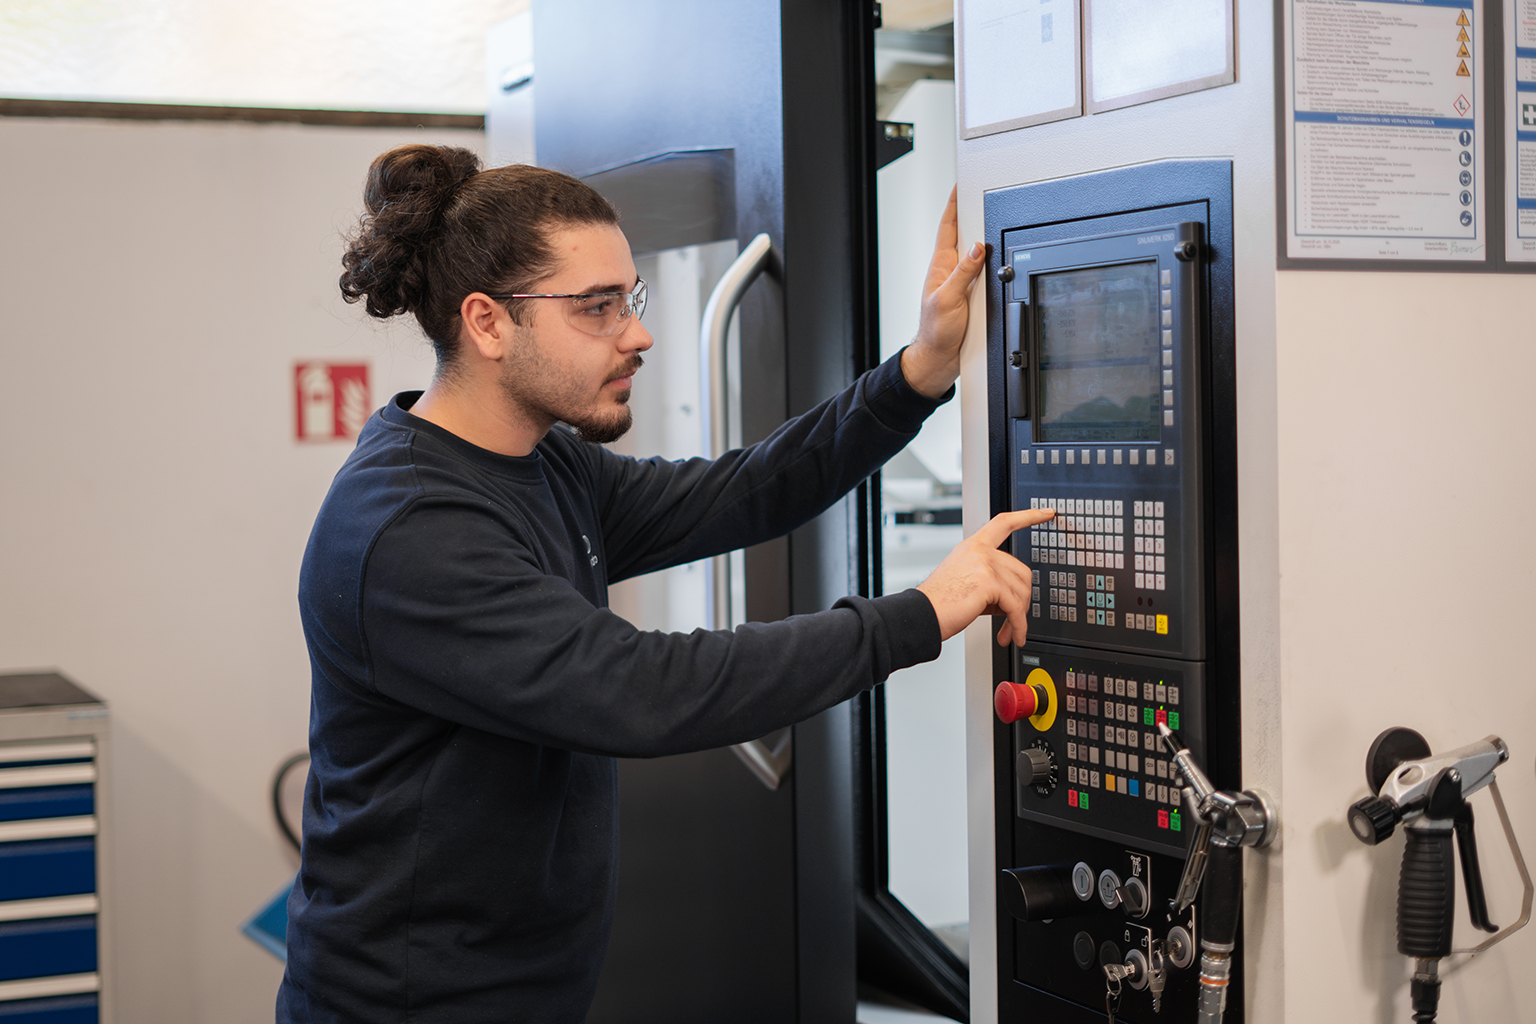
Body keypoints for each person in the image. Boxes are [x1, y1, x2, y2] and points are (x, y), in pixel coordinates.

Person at [277, 143, 1053, 1024]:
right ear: (488, 323)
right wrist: (916, 615)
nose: (637, 333)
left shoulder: (542, 465)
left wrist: (920, 371)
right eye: (597, 307)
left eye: (630, 300)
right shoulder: (410, 529)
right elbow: (641, 690)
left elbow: (742, 490)